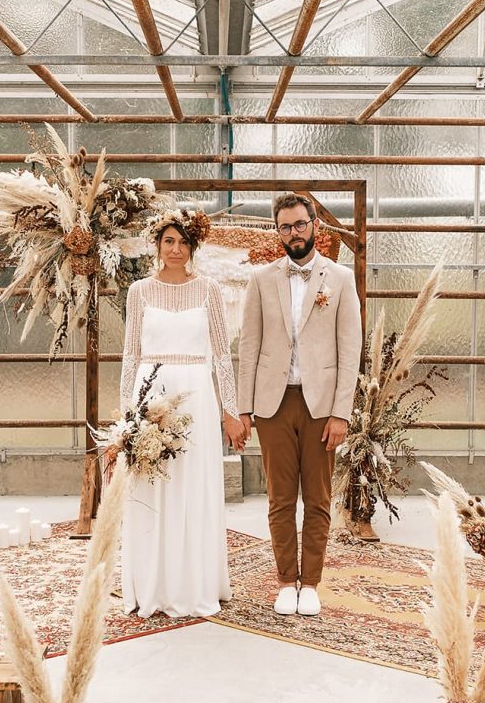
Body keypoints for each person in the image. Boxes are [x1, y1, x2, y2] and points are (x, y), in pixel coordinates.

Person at [237, 193, 362, 617]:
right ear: (277, 231)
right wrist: (243, 408)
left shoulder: (341, 279)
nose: (294, 233)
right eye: (285, 226)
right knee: (280, 499)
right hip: (273, 405)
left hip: (322, 406)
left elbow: (351, 349)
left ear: (315, 226)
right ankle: (284, 580)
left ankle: (310, 582)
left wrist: (342, 412)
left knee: (319, 498)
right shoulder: (260, 279)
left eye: (300, 224)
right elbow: (249, 346)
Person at [118, 208, 245, 618]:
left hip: (196, 397)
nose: (176, 249)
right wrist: (126, 418)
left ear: (193, 247)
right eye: (169, 241)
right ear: (158, 244)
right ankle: (152, 583)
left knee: (193, 487)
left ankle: (195, 582)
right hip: (150, 394)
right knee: (152, 488)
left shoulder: (208, 290)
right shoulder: (138, 291)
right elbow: (130, 354)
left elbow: (223, 357)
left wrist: (231, 411)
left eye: (184, 242)